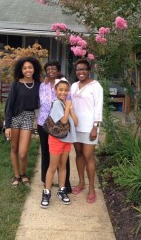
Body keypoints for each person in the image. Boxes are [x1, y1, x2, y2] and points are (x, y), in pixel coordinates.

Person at [40, 78, 78, 208]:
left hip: (67, 140)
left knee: (63, 167)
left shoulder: (65, 103)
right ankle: (47, 192)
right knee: (52, 167)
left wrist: (70, 107)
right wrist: (68, 106)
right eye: (60, 90)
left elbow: (76, 122)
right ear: (55, 91)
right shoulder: (57, 103)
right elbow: (63, 120)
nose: (63, 92)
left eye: (66, 90)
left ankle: (62, 190)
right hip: (57, 140)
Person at [5, 56, 42, 186]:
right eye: (25, 68)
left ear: (34, 69)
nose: (27, 70)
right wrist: (7, 125)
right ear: (21, 70)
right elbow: (9, 105)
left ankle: (23, 173)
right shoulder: (16, 84)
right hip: (15, 117)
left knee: (23, 152)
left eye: (30, 67)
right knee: (14, 148)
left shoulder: (38, 85)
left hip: (28, 116)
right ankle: (17, 176)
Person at [71, 59, 103, 203]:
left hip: (90, 127)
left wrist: (95, 127)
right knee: (78, 154)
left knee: (88, 156)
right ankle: (81, 182)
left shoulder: (96, 86)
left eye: (83, 69)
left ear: (89, 70)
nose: (81, 72)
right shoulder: (73, 86)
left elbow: (98, 107)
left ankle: (91, 188)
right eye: (78, 69)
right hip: (75, 126)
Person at [37, 60, 72, 193]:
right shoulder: (42, 85)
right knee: (46, 152)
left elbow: (68, 102)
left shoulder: (63, 84)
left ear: (58, 70)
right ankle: (47, 182)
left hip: (59, 126)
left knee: (62, 156)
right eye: (48, 69)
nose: (51, 71)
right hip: (43, 123)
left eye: (53, 69)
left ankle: (65, 184)